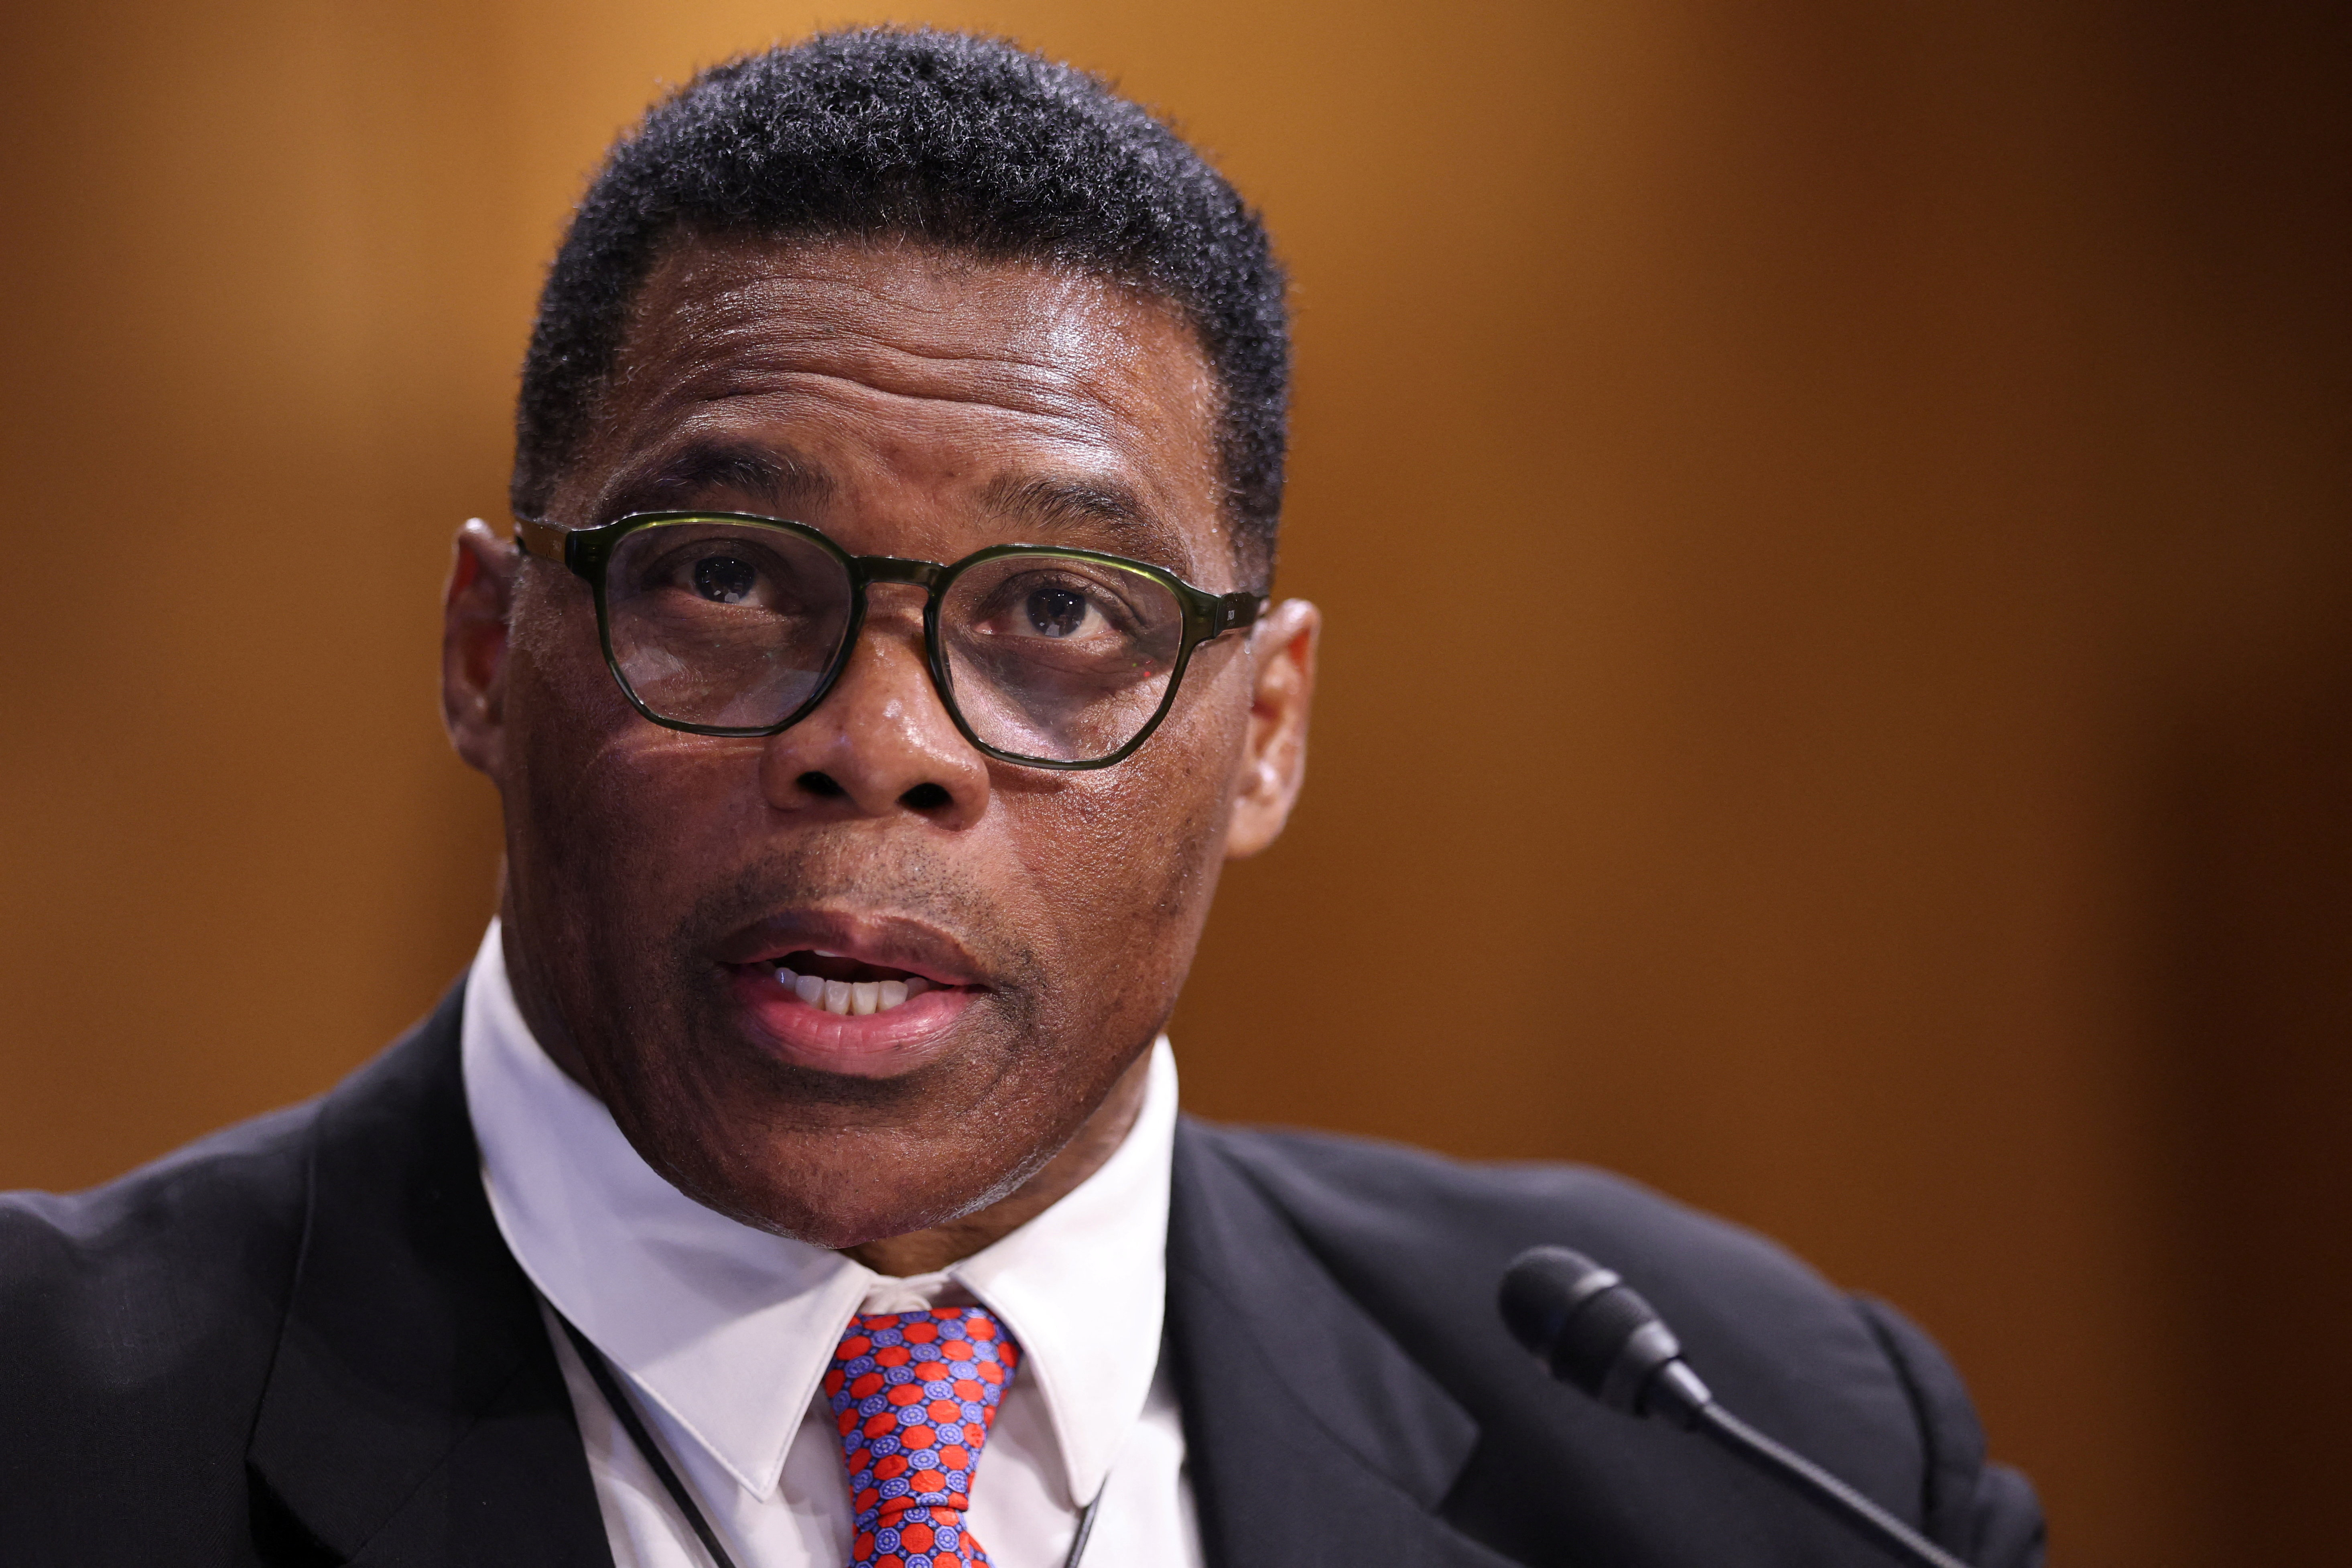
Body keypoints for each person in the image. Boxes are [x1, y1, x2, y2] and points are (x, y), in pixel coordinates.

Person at [0, 28, 2043, 1568]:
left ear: (1264, 729)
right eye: (724, 574)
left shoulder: (1766, 1452)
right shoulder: (49, 1432)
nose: (881, 736)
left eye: (1060, 606)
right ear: (481, 644)